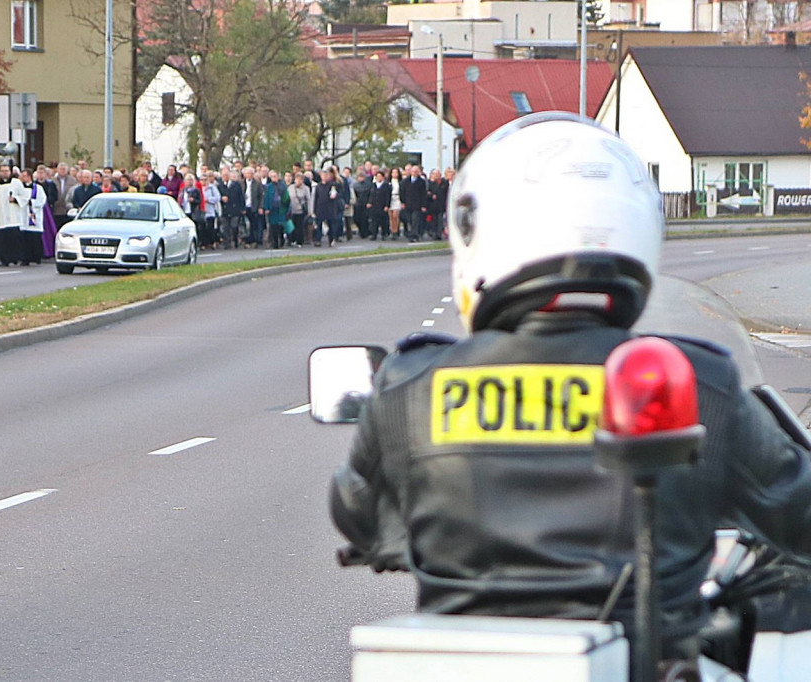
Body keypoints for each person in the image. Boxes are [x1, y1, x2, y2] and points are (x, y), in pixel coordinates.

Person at [328, 114, 811, 670]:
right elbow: (797, 512)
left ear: (479, 230)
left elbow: (354, 511)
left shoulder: (411, 386)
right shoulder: (693, 382)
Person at [0, 164, 29, 267]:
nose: (4, 173)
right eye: (2, 171)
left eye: (6, 171)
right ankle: (4, 260)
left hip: (13, 216)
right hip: (1, 216)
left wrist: (15, 199)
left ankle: (15, 259)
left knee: (14, 240)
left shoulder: (16, 183)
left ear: (10, 172)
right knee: (2, 241)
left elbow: (24, 196)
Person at [18, 168, 47, 265]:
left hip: (34, 215)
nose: (22, 178)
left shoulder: (38, 188)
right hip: (23, 215)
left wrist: (32, 202)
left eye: (24, 176)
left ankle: (36, 257)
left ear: (29, 176)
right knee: (24, 238)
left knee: (35, 238)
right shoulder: (20, 188)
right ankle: (24, 258)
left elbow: (42, 200)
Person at [262, 170, 290, 250]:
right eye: (272, 177)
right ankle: (274, 243)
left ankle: (281, 239)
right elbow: (266, 198)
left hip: (281, 209)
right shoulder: (268, 187)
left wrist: (286, 208)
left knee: (280, 225)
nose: (274, 178)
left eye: (275, 176)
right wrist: (266, 208)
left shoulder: (283, 186)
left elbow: (286, 198)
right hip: (272, 209)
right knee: (273, 226)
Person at [399, 164, 428, 241]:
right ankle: (414, 233)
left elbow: (423, 194)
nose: (414, 173)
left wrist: (423, 205)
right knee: (410, 220)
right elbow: (402, 192)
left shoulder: (421, 182)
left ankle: (414, 236)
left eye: (416, 171)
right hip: (408, 204)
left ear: (419, 172)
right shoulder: (405, 181)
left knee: (415, 220)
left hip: (417, 205)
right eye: (413, 171)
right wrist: (402, 202)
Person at [287, 171, 313, 247]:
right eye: (297, 179)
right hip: (291, 210)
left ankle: (299, 241)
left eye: (300, 179)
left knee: (299, 226)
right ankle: (291, 240)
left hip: (300, 210)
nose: (298, 181)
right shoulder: (290, 187)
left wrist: (310, 211)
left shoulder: (306, 189)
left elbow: (308, 200)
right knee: (291, 226)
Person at [367, 170, 390, 241]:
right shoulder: (373, 185)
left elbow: (388, 196)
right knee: (374, 221)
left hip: (382, 205)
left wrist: (387, 205)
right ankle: (374, 234)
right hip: (374, 206)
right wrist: (369, 202)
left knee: (383, 221)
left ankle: (384, 234)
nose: (379, 178)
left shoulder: (386, 185)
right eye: (377, 177)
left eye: (380, 176)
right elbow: (371, 195)